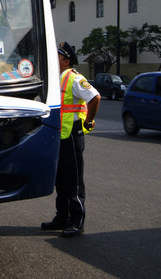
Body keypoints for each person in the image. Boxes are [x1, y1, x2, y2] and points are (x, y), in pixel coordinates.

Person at [41, 41, 100, 238]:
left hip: (73, 134)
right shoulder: (56, 78)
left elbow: (95, 98)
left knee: (74, 181)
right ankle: (61, 217)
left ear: (66, 60)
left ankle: (77, 221)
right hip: (59, 134)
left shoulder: (74, 79)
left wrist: (89, 121)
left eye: (57, 55)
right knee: (61, 179)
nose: (53, 58)